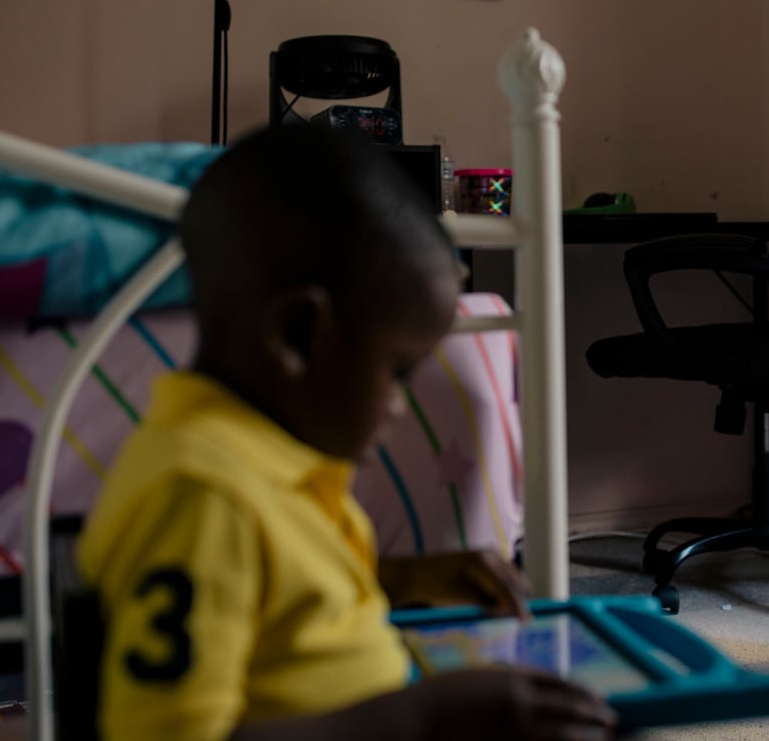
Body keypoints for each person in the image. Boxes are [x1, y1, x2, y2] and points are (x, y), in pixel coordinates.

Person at [76, 124, 616, 740]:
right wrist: (427, 715)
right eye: (398, 372)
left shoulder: (265, 461)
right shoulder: (203, 494)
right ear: (299, 335)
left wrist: (406, 580)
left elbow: (280, 604)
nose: (398, 406)